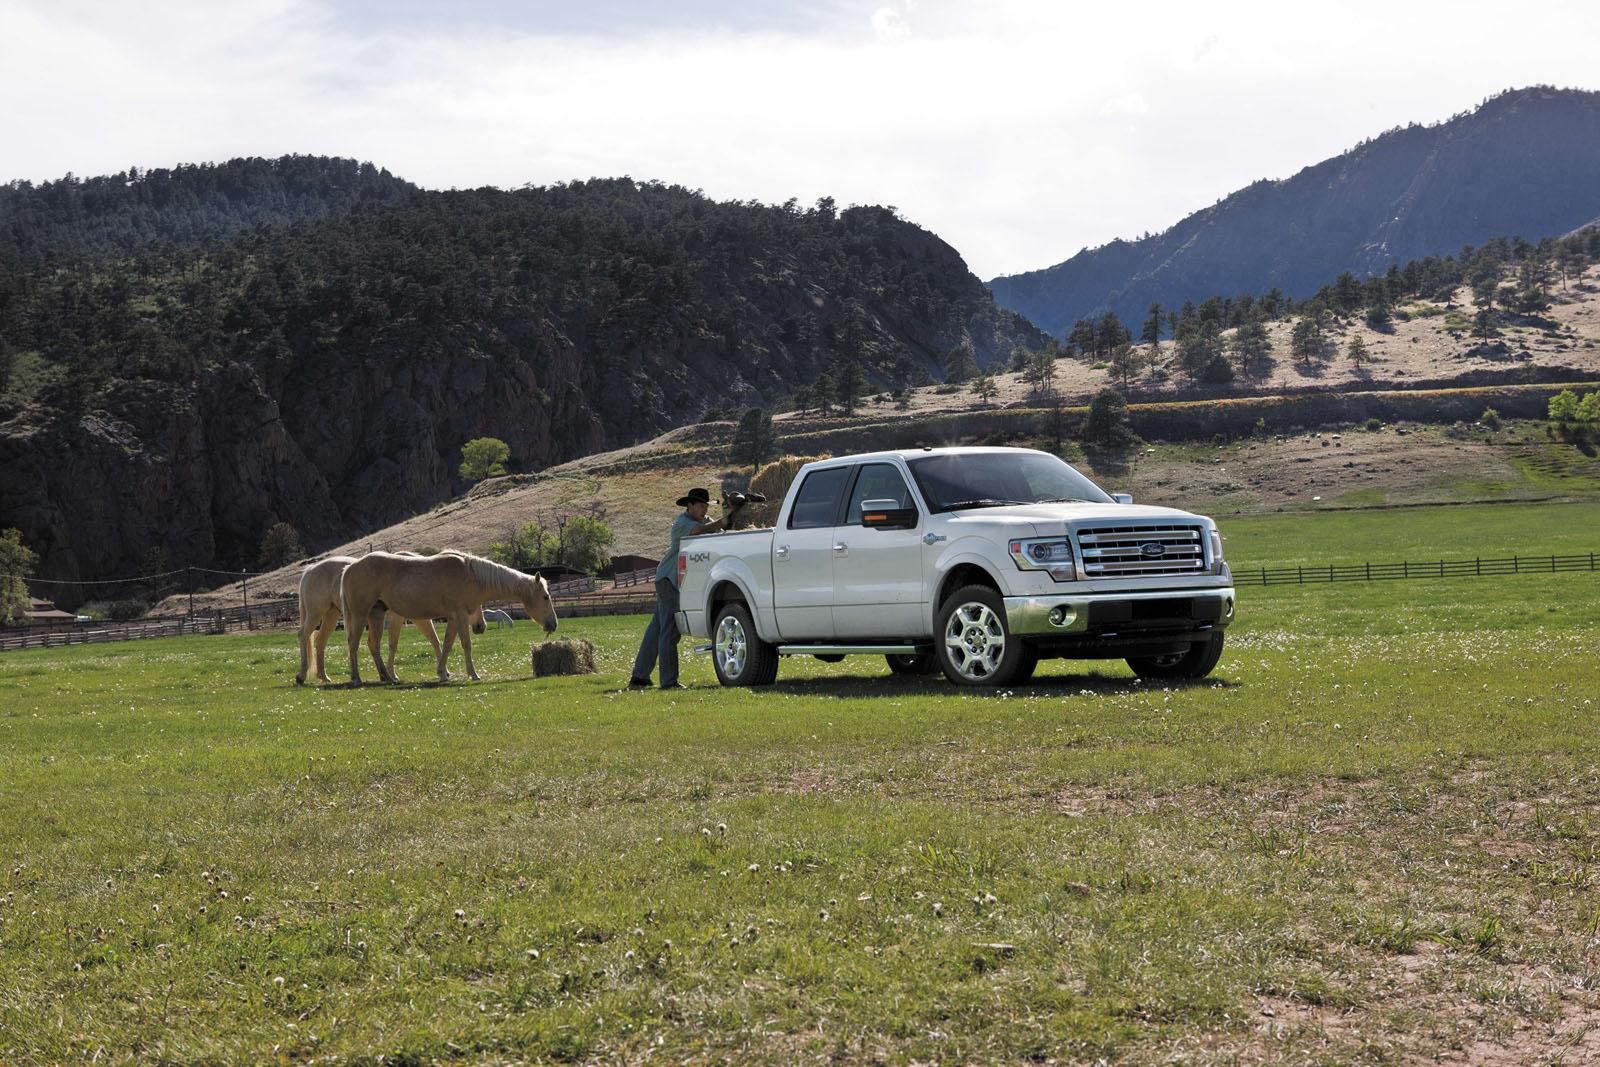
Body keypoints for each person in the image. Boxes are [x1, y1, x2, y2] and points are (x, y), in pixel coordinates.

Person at [629, 486, 741, 690]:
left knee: (656, 631)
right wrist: (724, 519)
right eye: (700, 506)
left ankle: (639, 676)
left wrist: (730, 515)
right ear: (689, 506)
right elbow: (700, 532)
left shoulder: (703, 521)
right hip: (669, 581)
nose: (704, 510)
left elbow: (721, 530)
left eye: (706, 506)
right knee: (670, 631)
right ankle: (668, 681)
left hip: (672, 581)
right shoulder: (682, 524)